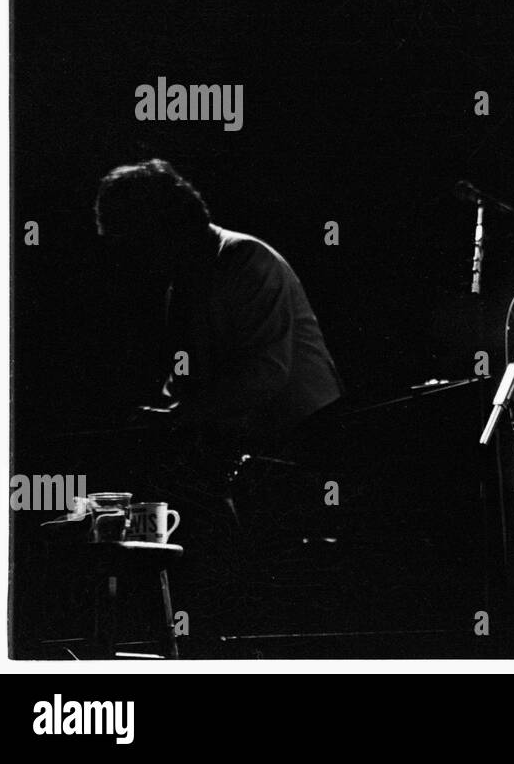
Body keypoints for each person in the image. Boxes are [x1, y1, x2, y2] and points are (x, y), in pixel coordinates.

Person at [95, 159, 345, 633]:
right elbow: (186, 374)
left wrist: (176, 416)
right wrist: (164, 409)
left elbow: (266, 375)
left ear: (163, 226)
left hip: (302, 444)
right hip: (255, 448)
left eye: (135, 242)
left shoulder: (247, 260)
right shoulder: (186, 281)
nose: (132, 260)